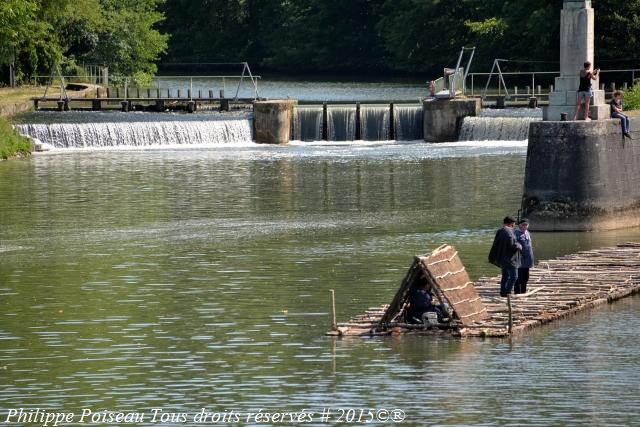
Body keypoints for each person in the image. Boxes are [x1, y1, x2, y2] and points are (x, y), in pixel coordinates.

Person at [488, 216, 522, 297]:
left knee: (505, 276)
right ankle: (507, 292)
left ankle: (503, 292)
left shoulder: (500, 231)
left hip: (502, 257)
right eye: (514, 223)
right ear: (511, 223)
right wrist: (519, 246)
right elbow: (512, 245)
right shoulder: (508, 232)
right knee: (514, 276)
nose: (514, 225)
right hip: (510, 259)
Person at [514, 218, 534, 295]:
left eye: (526, 225)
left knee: (526, 276)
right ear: (519, 225)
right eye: (523, 225)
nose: (524, 226)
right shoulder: (516, 233)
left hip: (528, 259)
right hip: (520, 258)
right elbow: (513, 244)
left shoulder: (528, 233)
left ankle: (523, 290)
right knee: (519, 277)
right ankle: (517, 292)